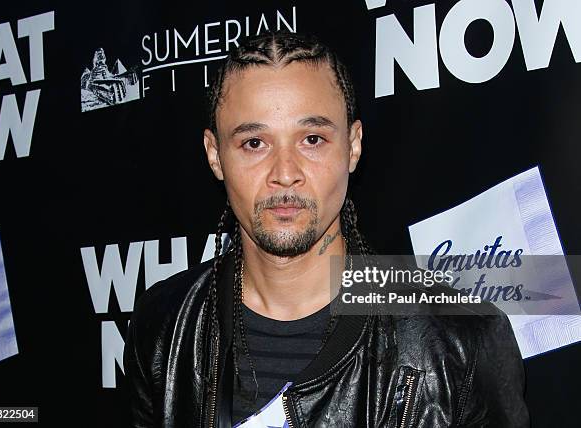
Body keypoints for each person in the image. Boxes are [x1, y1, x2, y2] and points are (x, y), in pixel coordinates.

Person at [124, 31, 530, 427]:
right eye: (254, 143)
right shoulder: (163, 328)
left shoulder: (459, 338)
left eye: (312, 139)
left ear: (352, 146)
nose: (285, 174)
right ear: (215, 155)